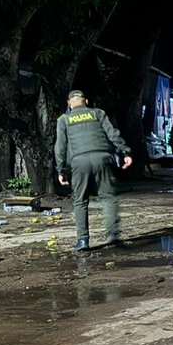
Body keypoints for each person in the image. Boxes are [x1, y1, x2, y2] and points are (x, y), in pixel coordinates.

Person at [54, 90, 132, 251]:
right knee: (108, 197)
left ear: (69, 103)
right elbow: (113, 134)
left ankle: (83, 241)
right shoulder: (98, 113)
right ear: (86, 101)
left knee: (80, 200)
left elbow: (60, 147)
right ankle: (112, 235)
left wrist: (61, 170)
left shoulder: (64, 119)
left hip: (79, 161)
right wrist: (126, 152)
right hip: (102, 157)